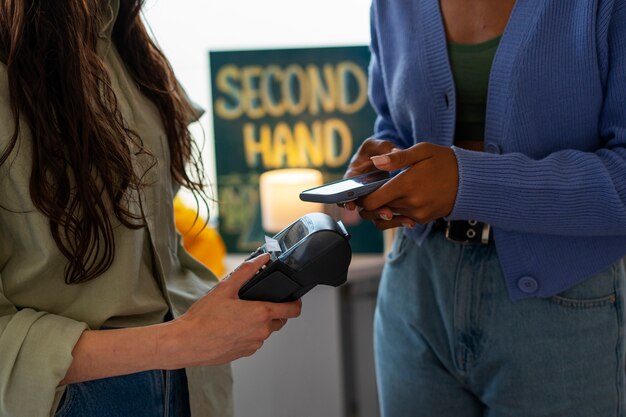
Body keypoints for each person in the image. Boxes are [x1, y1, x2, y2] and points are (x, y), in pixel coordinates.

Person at [0, 1, 301, 416]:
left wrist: (201, 327)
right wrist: (181, 340)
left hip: (191, 382)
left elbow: (155, 240)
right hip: (77, 395)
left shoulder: (121, 35)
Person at [343, 0, 626, 416]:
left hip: (560, 307)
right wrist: (385, 162)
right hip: (415, 294)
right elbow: (392, 121)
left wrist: (468, 183)